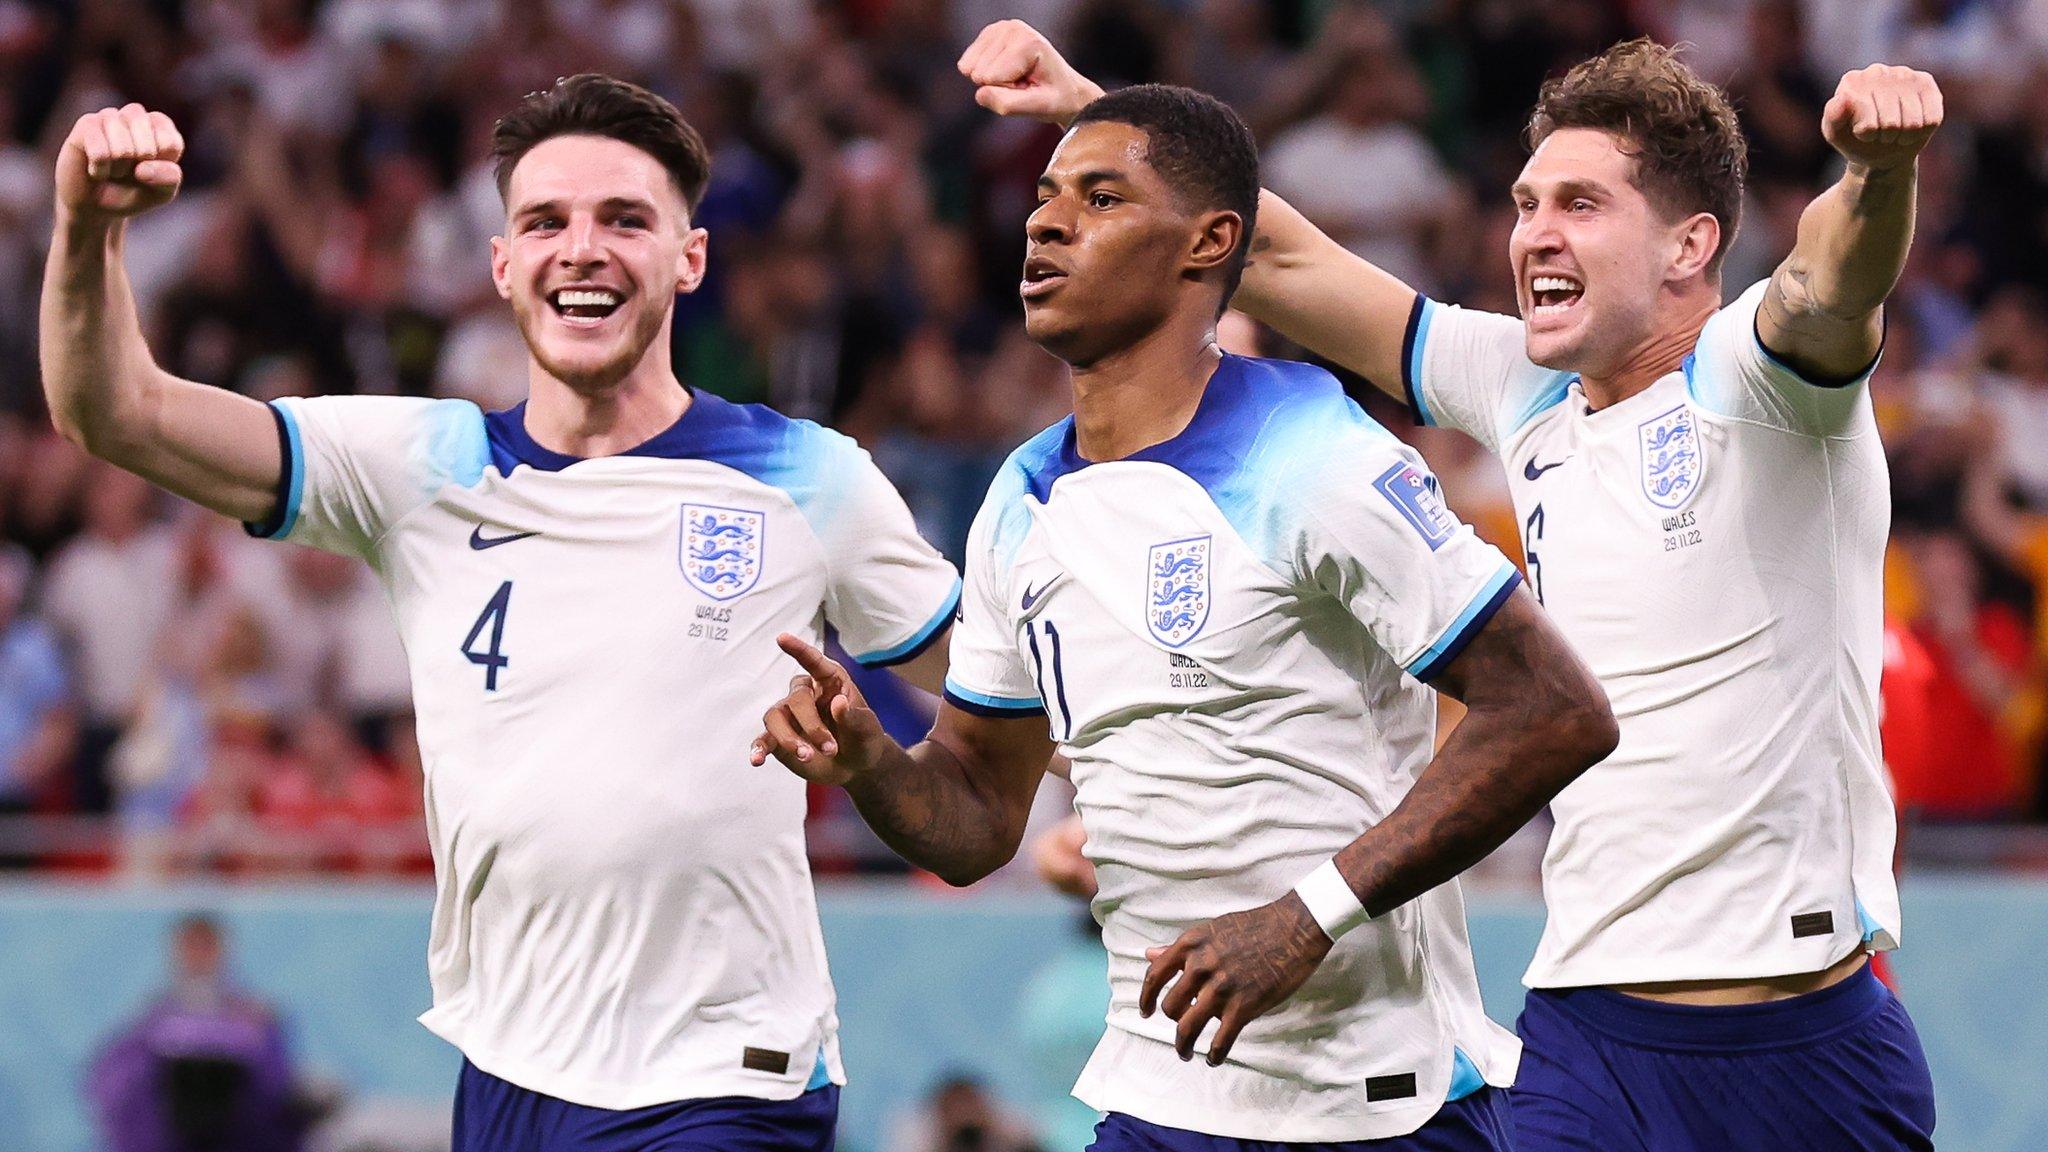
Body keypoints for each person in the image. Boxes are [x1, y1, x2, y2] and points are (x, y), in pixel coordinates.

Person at [958, 21, 1940, 1151]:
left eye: (1578, 204)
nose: (1530, 234)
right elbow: (1273, 260)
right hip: (1584, 1038)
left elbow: (1831, 276)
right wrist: (1099, 116)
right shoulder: (1525, 388)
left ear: (1689, 246)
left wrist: (1877, 170)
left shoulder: (1765, 381)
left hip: (1800, 1034)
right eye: (1522, 204)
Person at [41, 74, 961, 1151]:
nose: (583, 247)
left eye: (625, 219)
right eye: (545, 221)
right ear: (501, 263)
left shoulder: (810, 479)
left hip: (723, 1075)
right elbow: (119, 412)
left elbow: (1004, 693)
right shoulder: (416, 466)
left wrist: (1143, 826)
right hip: (508, 1071)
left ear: (689, 257)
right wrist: (87, 228)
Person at [753, 84, 1618, 1150]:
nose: (1046, 222)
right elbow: (977, 812)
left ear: (1208, 245)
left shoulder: (1315, 458)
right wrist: (870, 764)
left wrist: (1306, 918)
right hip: (1154, 1098)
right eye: (1044, 196)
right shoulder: (1019, 503)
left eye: (1102, 197)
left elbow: (1553, 710)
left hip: (1373, 1104)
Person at [89, 914, 305, 1152]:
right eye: (192, 946)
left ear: (223, 952)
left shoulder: (255, 1017)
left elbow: (277, 1082)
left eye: (207, 946)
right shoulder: (151, 1018)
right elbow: (110, 1079)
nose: (199, 955)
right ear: (176, 952)